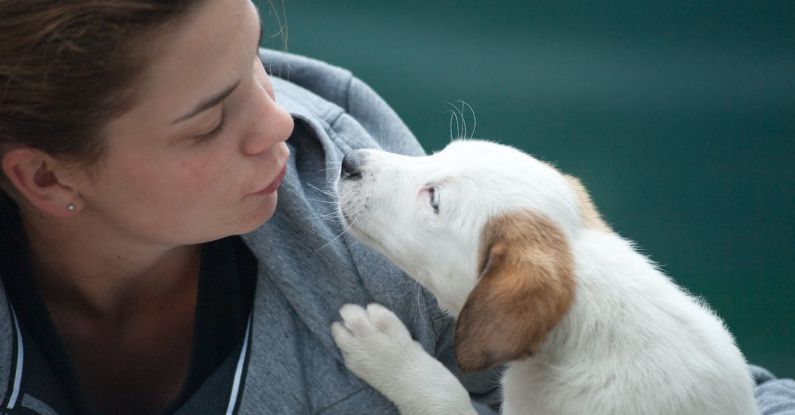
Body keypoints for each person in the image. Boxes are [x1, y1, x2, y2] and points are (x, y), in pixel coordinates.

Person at [0, 1, 791, 414]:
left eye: (255, 60)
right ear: (43, 178)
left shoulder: (382, 258)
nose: (281, 121)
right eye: (210, 119)